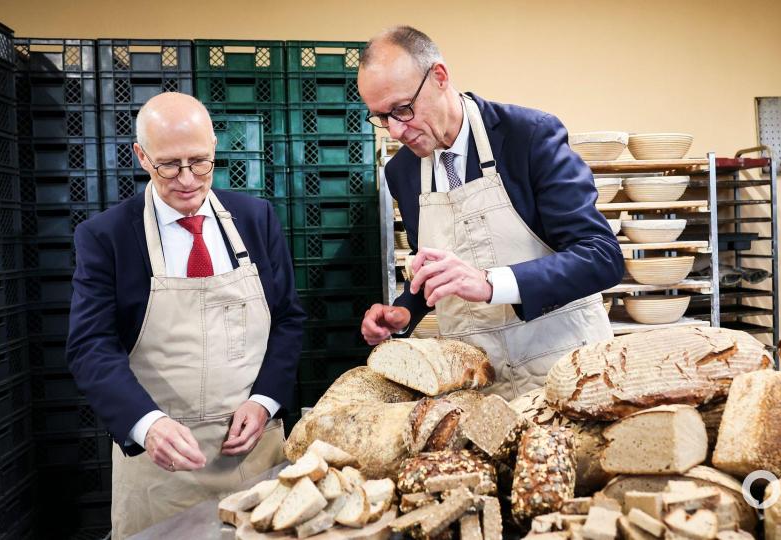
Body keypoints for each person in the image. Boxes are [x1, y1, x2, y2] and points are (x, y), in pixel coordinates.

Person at [66, 92, 305, 538]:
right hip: (161, 470)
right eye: (168, 165)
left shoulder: (257, 219)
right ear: (141, 156)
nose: (187, 179)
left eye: (200, 161)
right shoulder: (107, 237)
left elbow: (289, 320)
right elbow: (90, 347)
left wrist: (265, 400)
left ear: (214, 147)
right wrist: (147, 424)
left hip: (255, 456)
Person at [357, 26, 624, 398]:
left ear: (439, 77)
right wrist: (405, 313)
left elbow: (602, 257)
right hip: (480, 388)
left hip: (569, 372)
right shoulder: (402, 171)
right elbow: (431, 268)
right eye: (382, 117)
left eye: (403, 109)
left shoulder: (528, 136)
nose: (396, 131)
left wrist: (489, 284)